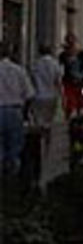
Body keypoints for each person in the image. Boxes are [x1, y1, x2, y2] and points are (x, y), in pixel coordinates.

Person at [0, 40, 34, 177]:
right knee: (15, 149)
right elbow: (30, 94)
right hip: (15, 111)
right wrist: (25, 113)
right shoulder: (19, 71)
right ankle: (12, 180)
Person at [29, 44, 62, 156]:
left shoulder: (36, 64)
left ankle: (38, 147)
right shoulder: (54, 64)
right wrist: (61, 96)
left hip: (38, 96)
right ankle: (47, 147)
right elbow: (58, 81)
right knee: (48, 122)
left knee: (39, 123)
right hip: (51, 96)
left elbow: (32, 79)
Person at [59, 33, 83, 117]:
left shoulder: (82, 55)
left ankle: (81, 112)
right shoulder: (63, 56)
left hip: (81, 83)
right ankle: (70, 114)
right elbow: (61, 69)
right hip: (69, 83)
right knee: (70, 100)